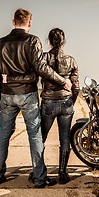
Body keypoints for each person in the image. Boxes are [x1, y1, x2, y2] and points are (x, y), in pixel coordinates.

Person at [0, 9, 72, 188]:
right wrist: (62, 81)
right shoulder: (32, 41)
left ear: (13, 22)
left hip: (7, 95)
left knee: (2, 135)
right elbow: (41, 68)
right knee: (34, 136)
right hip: (27, 95)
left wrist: (0, 96)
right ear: (29, 23)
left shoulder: (0, 43)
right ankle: (39, 178)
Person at [40, 28, 80, 184]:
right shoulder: (71, 60)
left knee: (40, 138)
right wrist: (71, 102)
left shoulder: (43, 58)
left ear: (49, 41)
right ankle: (62, 173)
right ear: (64, 42)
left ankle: (39, 171)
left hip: (48, 103)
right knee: (65, 138)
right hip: (66, 103)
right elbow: (75, 86)